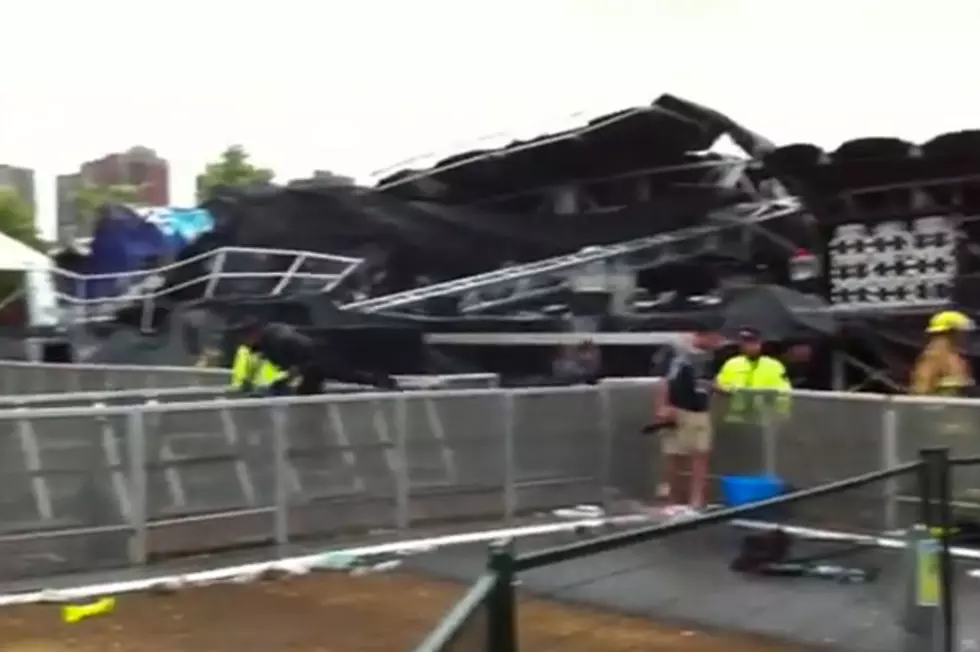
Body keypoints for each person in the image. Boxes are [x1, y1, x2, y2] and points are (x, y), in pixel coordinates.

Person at [651, 327, 724, 511]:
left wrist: (720, 389)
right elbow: (664, 380)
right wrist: (662, 406)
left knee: (701, 454)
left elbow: (706, 380)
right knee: (674, 456)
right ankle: (671, 499)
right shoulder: (676, 351)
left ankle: (696, 500)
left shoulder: (710, 356)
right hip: (677, 409)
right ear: (703, 334)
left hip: (700, 410)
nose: (719, 343)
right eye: (716, 338)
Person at [715, 328, 792, 425]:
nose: (750, 346)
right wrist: (722, 389)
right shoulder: (731, 364)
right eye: (746, 343)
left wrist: (779, 417)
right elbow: (719, 385)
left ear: (760, 344)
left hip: (763, 420)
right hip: (736, 419)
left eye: (753, 342)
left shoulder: (774, 365)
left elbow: (784, 393)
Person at [911, 310, 974, 396]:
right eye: (963, 333)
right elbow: (920, 391)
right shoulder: (932, 357)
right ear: (951, 333)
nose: (966, 337)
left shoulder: (958, 359)